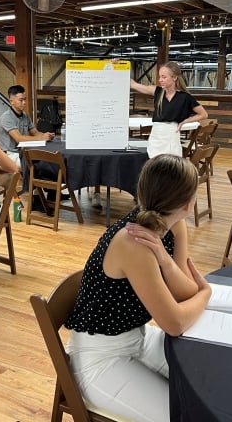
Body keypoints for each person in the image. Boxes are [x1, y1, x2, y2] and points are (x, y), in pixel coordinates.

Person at [64, 154, 212, 421]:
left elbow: (183, 293)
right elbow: (175, 323)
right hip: (101, 358)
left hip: (137, 338)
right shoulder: (134, 242)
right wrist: (206, 293)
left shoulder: (173, 225)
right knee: (184, 413)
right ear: (188, 204)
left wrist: (166, 261)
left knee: (206, 379)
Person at [129, 61, 208, 158]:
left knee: (170, 166)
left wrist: (184, 122)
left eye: (164, 77)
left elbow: (203, 114)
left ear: (174, 78)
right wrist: (117, 66)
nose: (160, 80)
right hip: (156, 134)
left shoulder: (185, 97)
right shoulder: (157, 92)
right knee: (154, 164)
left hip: (172, 134)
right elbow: (133, 84)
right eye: (160, 77)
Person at [0, 85, 54, 169]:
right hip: (9, 155)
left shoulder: (25, 116)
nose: (24, 102)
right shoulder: (6, 117)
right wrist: (41, 138)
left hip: (22, 152)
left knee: (46, 161)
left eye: (25, 99)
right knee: (38, 166)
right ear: (12, 101)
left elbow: (35, 133)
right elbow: (19, 139)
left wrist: (46, 135)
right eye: (21, 100)